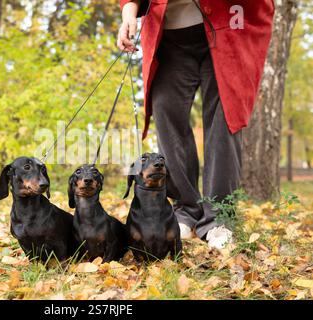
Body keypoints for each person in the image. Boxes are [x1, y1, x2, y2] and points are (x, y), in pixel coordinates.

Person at [117, 0, 274, 248]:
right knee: (167, 115)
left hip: (229, 27)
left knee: (224, 120)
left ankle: (219, 218)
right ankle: (185, 211)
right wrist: (129, 13)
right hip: (167, 36)